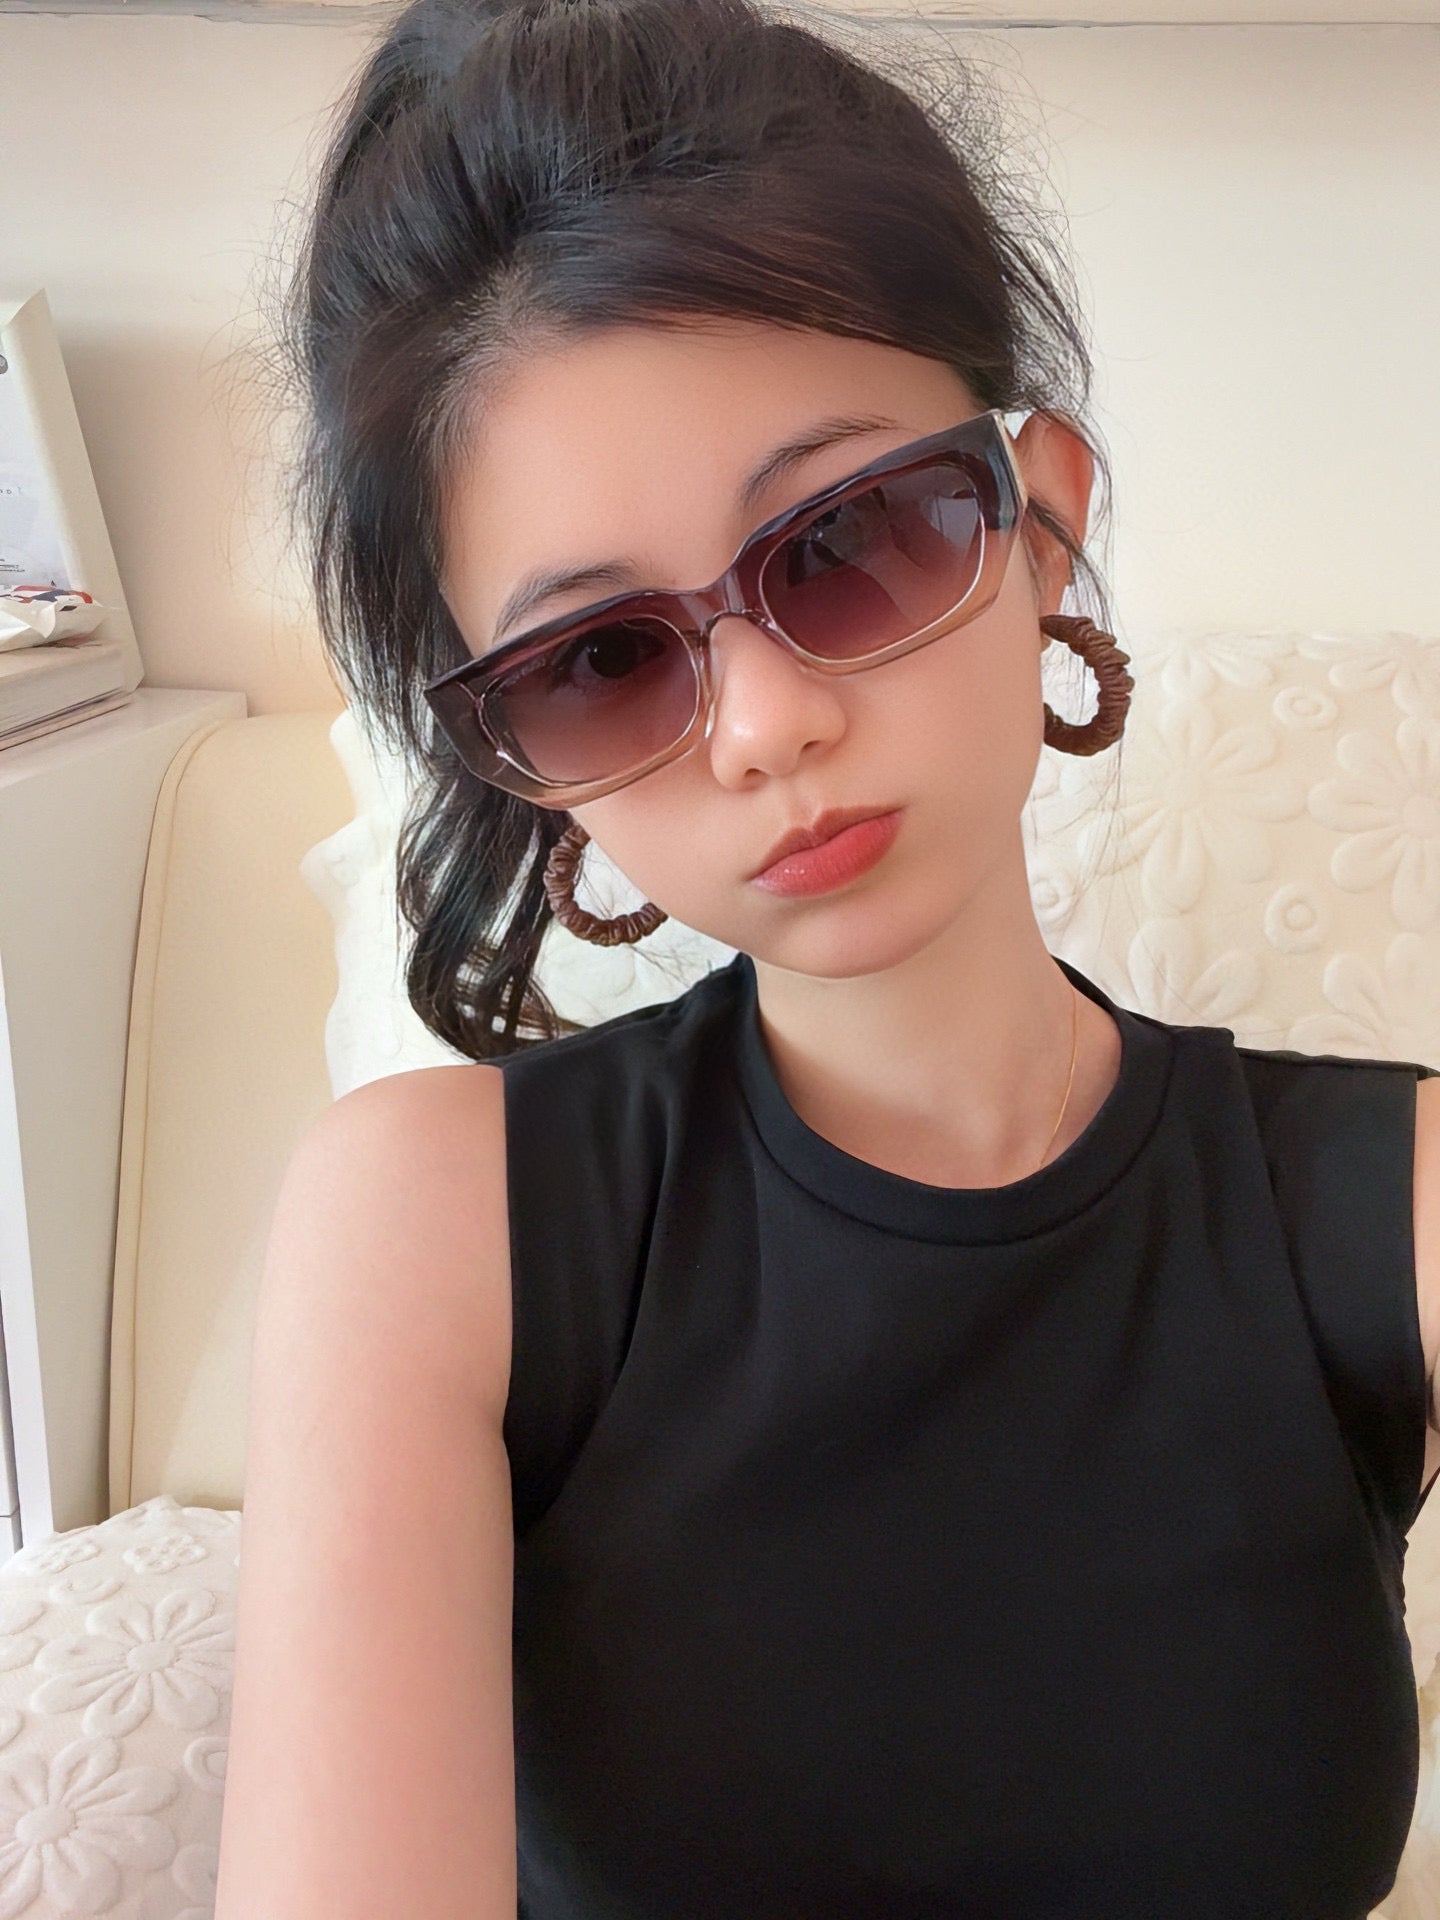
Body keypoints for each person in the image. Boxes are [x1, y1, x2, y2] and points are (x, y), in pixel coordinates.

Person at [214, 2, 1440, 1915]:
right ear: (517, 762)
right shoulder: (435, 1229)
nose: (767, 723)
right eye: (602, 659)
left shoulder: (1389, 1204)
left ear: (1040, 523)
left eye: (849, 538)